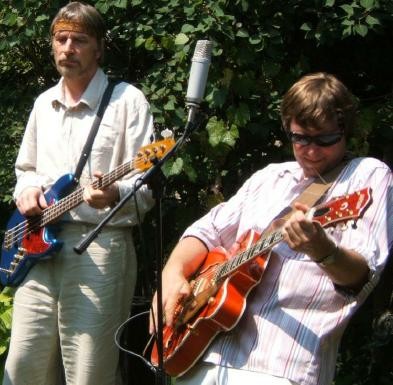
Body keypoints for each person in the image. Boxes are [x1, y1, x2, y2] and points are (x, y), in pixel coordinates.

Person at [150, 72, 393, 385]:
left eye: (325, 140)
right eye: (300, 138)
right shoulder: (270, 177)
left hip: (282, 364)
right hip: (205, 354)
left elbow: (361, 276)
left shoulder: (367, 176)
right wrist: (172, 276)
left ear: (346, 131)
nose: (312, 150)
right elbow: (207, 230)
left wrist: (323, 249)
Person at [3, 2, 154, 385]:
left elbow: (145, 189)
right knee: (22, 366)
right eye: (61, 39)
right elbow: (25, 171)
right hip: (35, 249)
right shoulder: (42, 105)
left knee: (90, 372)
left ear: (99, 48)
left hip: (99, 248)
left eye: (79, 40)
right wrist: (27, 193)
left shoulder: (127, 102)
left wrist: (114, 193)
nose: (68, 47)